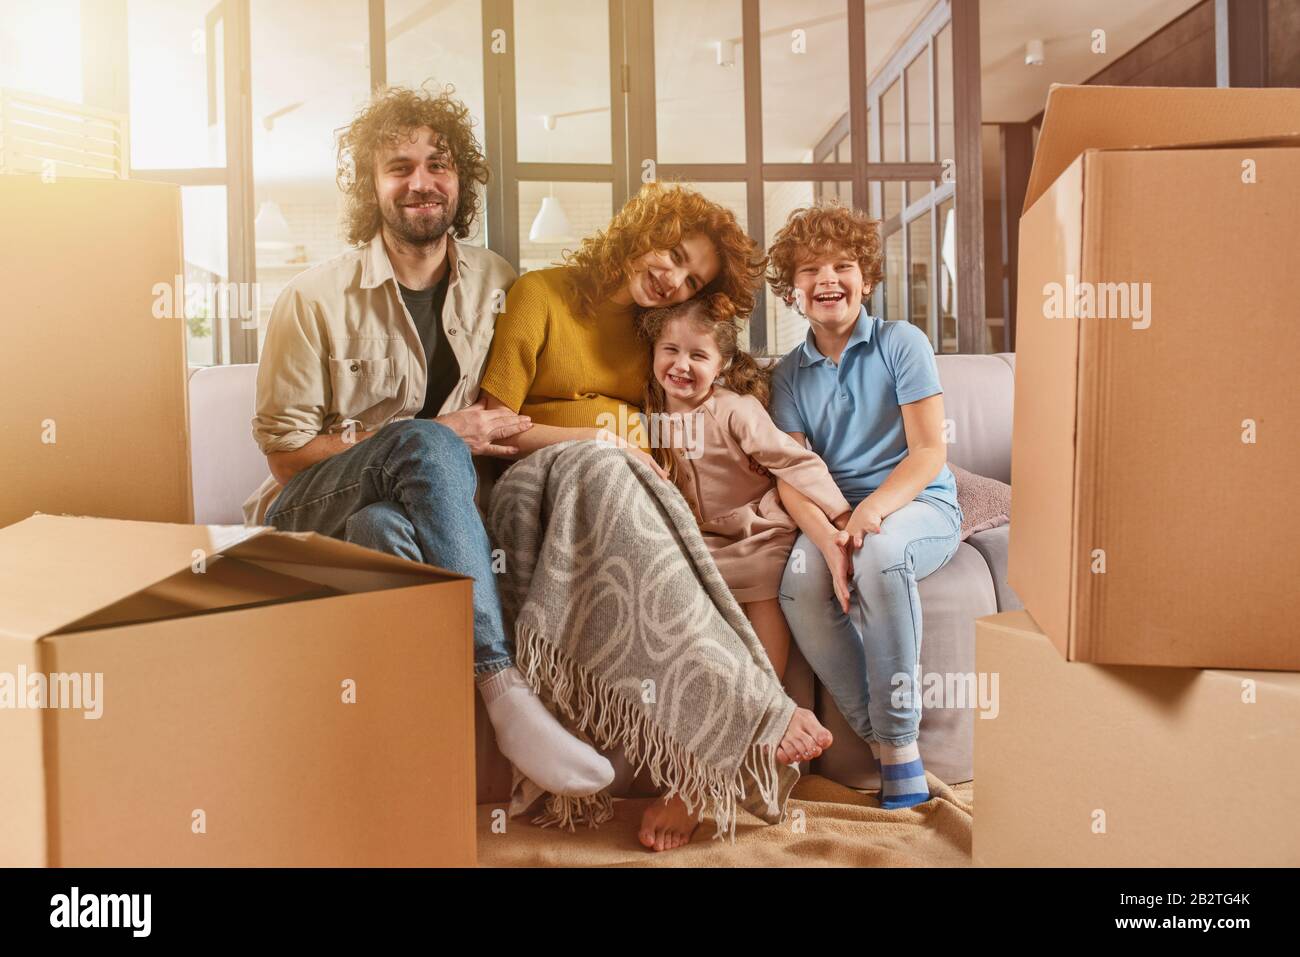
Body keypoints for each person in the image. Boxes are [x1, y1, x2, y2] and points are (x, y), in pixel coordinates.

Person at [243, 85, 616, 800]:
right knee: (422, 442)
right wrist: (436, 434)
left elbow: (518, 414)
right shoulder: (313, 298)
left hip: (422, 518)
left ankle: (411, 776)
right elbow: (286, 457)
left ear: (460, 181)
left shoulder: (501, 283)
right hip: (306, 509)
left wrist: (617, 442)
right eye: (399, 166)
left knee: (380, 527)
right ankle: (504, 693)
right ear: (371, 185)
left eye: (438, 163)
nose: (421, 181)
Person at [478, 184, 834, 852]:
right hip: (536, 483)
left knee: (660, 514)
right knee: (614, 470)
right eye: (672, 251)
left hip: (624, 489)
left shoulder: (653, 335)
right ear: (641, 229)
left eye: (691, 276)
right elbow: (492, 429)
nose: (672, 277)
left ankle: (702, 762)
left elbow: (685, 403)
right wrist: (602, 442)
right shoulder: (541, 295)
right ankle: (751, 708)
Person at [768, 203, 963, 810]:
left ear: (868, 278)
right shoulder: (787, 376)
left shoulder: (901, 343)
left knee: (879, 556)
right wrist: (827, 540)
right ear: (792, 290)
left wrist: (869, 514)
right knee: (798, 582)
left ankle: (900, 744)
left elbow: (929, 451)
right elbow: (793, 477)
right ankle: (881, 739)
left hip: (916, 503)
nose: (828, 278)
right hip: (837, 514)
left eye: (843, 265)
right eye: (810, 269)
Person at [636, 292, 850, 688]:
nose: (681, 365)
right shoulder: (649, 412)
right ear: (653, 352)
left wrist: (839, 512)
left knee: (762, 580)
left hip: (755, 524)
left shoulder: (735, 409)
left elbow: (792, 459)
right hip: (701, 535)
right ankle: (718, 692)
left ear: (721, 365)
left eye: (698, 356)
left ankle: (768, 690)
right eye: (670, 350)